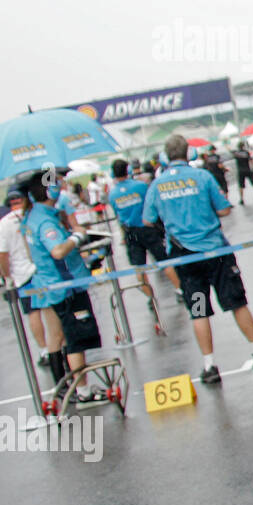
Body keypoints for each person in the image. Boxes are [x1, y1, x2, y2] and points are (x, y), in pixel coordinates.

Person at [143, 134, 253, 385]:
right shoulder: (202, 177)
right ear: (188, 153)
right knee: (236, 302)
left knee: (198, 311)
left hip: (184, 257)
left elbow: (147, 219)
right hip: (214, 252)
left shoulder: (157, 185)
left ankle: (209, 366)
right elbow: (224, 209)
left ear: (165, 156)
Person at [16, 172, 104, 404]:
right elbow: (57, 251)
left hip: (48, 284)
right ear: (50, 191)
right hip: (64, 287)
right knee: (75, 338)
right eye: (57, 185)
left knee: (57, 336)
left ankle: (63, 387)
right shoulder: (44, 220)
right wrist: (76, 237)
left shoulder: (33, 216)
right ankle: (82, 391)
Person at [107, 158, 182, 306]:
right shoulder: (141, 186)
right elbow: (152, 205)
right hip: (147, 228)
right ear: (128, 170)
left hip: (130, 233)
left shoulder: (112, 194)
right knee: (165, 262)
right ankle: (180, 289)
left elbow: (118, 216)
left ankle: (150, 298)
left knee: (139, 268)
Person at [0, 188, 50, 368]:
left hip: (22, 275)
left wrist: (7, 277)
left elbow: (2, 255)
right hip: (42, 269)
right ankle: (56, 347)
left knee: (33, 313)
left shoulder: (4, 223)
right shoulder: (34, 214)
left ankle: (44, 350)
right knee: (51, 310)